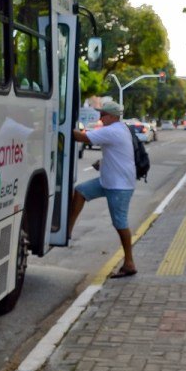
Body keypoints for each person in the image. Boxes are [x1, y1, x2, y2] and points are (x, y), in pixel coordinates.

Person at [68, 100, 137, 277]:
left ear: (113, 116)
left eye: (103, 115)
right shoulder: (121, 129)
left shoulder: (113, 130)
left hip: (119, 186)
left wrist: (64, 125)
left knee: (120, 223)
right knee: (81, 191)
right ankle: (67, 231)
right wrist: (102, 163)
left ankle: (129, 263)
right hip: (109, 181)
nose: (100, 118)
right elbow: (117, 154)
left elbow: (82, 137)